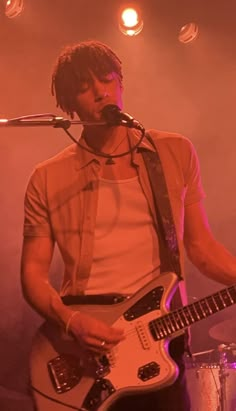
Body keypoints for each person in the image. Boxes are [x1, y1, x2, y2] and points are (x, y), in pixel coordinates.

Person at [20, 40, 236, 411]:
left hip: (162, 344)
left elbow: (200, 247)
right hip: (86, 352)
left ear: (121, 83)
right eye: (86, 87)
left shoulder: (174, 152)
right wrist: (71, 322)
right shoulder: (47, 177)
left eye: (107, 79)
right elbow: (33, 275)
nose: (101, 92)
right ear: (69, 104)